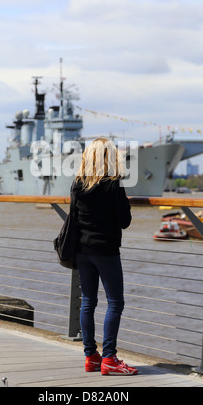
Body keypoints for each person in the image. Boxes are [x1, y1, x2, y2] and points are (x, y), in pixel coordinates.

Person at [70, 137, 138, 376]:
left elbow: (75, 217)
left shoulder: (78, 183)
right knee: (115, 302)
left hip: (82, 250)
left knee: (88, 301)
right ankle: (110, 358)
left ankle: (91, 356)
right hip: (106, 250)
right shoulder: (114, 184)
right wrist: (125, 201)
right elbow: (124, 222)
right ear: (111, 157)